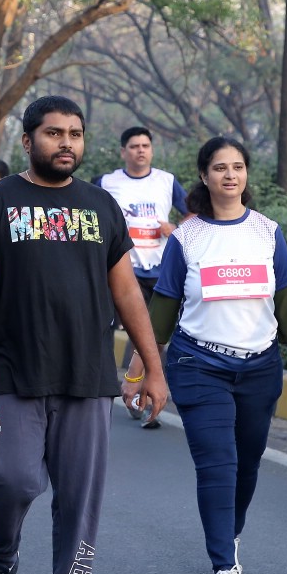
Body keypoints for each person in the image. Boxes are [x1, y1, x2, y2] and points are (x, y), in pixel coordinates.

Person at [0, 95, 168, 574]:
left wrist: (151, 366)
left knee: (80, 498)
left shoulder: (101, 206)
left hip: (86, 374)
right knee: (13, 479)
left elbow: (126, 292)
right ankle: (2, 560)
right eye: (53, 134)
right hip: (9, 373)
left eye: (75, 133)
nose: (66, 143)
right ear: (28, 142)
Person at [123, 137, 287, 574]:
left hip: (260, 368)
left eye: (238, 167)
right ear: (204, 177)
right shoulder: (187, 237)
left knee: (246, 465)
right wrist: (140, 371)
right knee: (217, 466)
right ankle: (224, 567)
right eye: (220, 168)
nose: (230, 175)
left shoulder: (268, 232)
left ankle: (230, 536)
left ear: (247, 175)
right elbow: (162, 310)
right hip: (198, 365)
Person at [100, 127, 189, 429]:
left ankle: (143, 394)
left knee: (154, 336)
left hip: (160, 269)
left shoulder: (166, 181)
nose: (140, 150)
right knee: (103, 328)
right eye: (134, 146)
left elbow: (196, 213)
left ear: (151, 151)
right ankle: (101, 391)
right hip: (119, 268)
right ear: (123, 151)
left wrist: (176, 227)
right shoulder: (108, 182)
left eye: (145, 145)